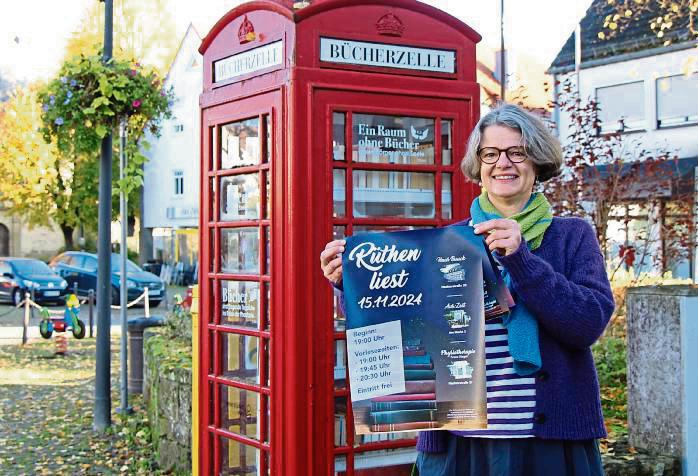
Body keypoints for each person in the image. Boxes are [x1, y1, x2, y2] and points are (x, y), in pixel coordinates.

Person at [320, 103, 614, 476]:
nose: (502, 163)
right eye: (490, 153)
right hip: (459, 443)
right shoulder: (448, 241)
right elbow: (400, 328)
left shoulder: (572, 236)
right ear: (478, 165)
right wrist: (351, 285)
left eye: (517, 152)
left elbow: (587, 324)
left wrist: (522, 260)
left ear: (537, 161)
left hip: (549, 445)